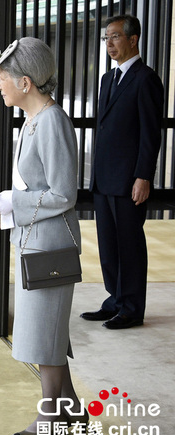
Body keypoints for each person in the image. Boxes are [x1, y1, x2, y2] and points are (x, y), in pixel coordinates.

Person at [0, 37, 86, 435]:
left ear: (25, 82)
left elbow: (63, 194)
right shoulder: (34, 119)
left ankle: (50, 418)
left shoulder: (52, 121)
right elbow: (37, 187)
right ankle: (72, 409)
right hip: (36, 241)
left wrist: (12, 201)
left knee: (45, 338)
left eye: (2, 77)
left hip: (51, 245)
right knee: (48, 333)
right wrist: (2, 214)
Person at [81, 14, 164, 330]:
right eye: (106, 37)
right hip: (104, 179)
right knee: (109, 245)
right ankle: (115, 300)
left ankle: (131, 308)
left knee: (129, 245)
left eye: (115, 36)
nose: (109, 43)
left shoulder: (146, 79)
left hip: (129, 180)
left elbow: (150, 133)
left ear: (133, 39)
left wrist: (144, 176)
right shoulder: (108, 79)